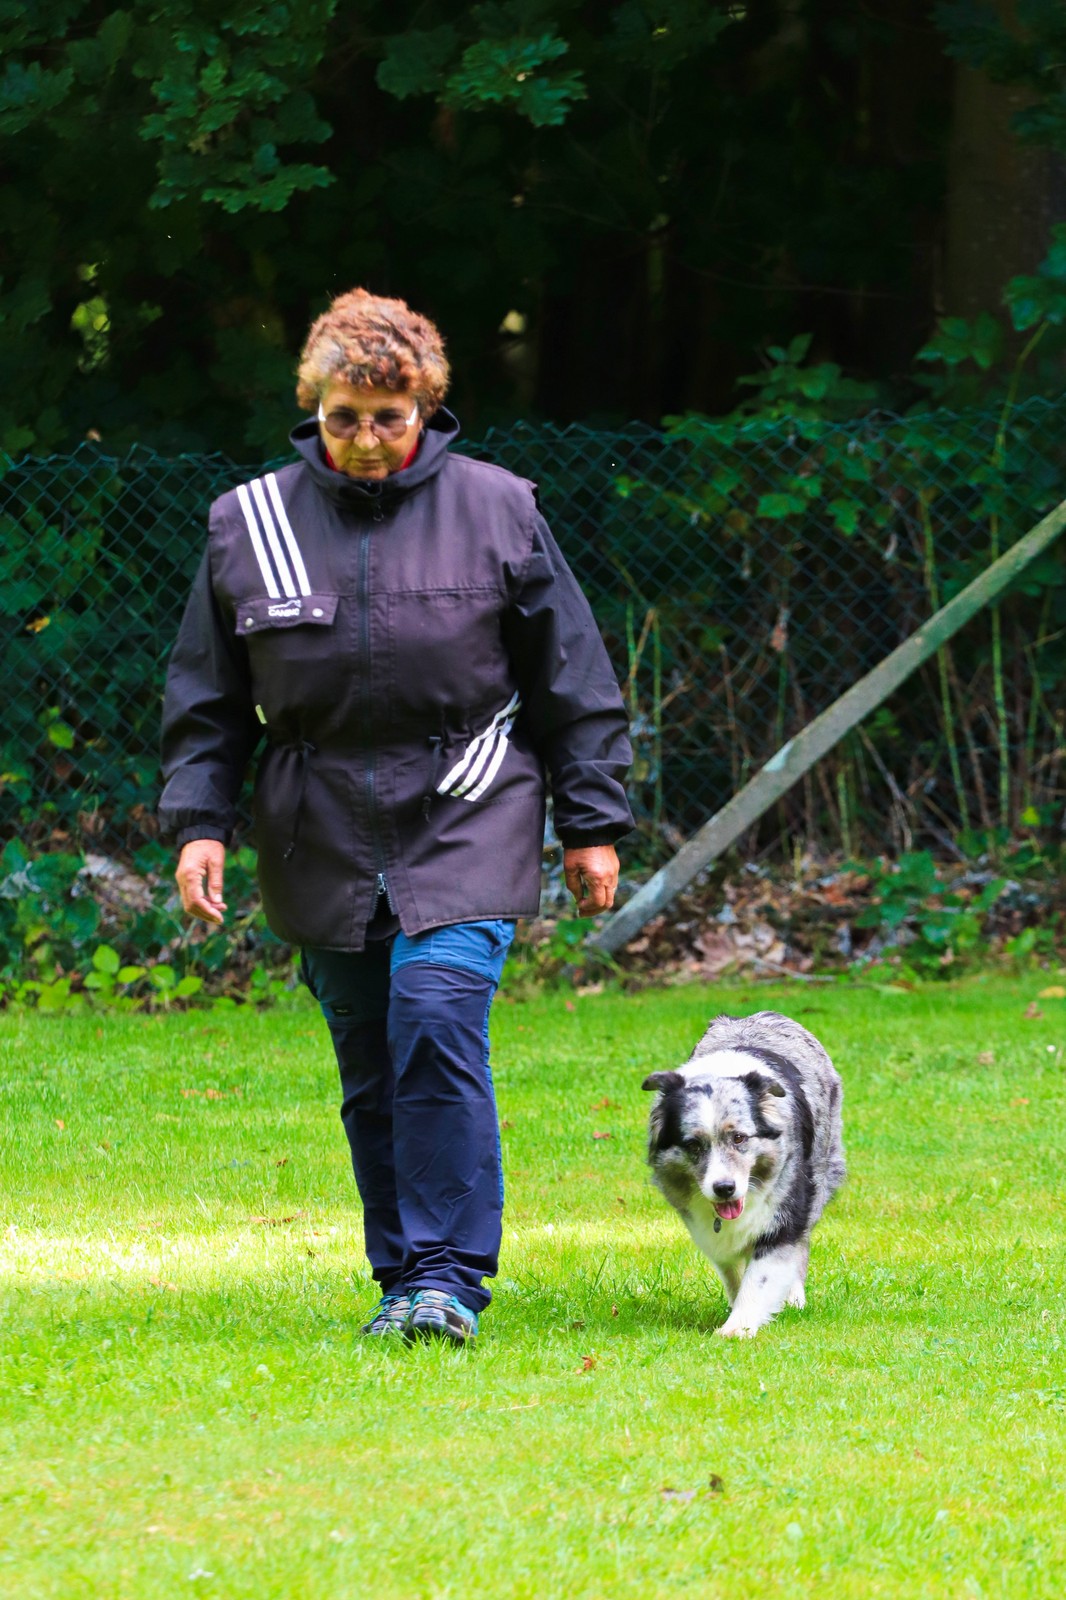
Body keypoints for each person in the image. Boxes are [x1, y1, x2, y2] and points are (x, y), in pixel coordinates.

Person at [159, 287, 633, 1344]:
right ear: (313, 408)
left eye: (390, 417)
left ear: (426, 408)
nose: (368, 440)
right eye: (345, 418)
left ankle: (450, 1280)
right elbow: (205, 699)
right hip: (316, 825)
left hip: (466, 805)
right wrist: (200, 823)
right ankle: (403, 1278)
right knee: (371, 1059)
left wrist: (590, 822)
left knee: (434, 1016)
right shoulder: (250, 523)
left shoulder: (499, 508)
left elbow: (571, 675)